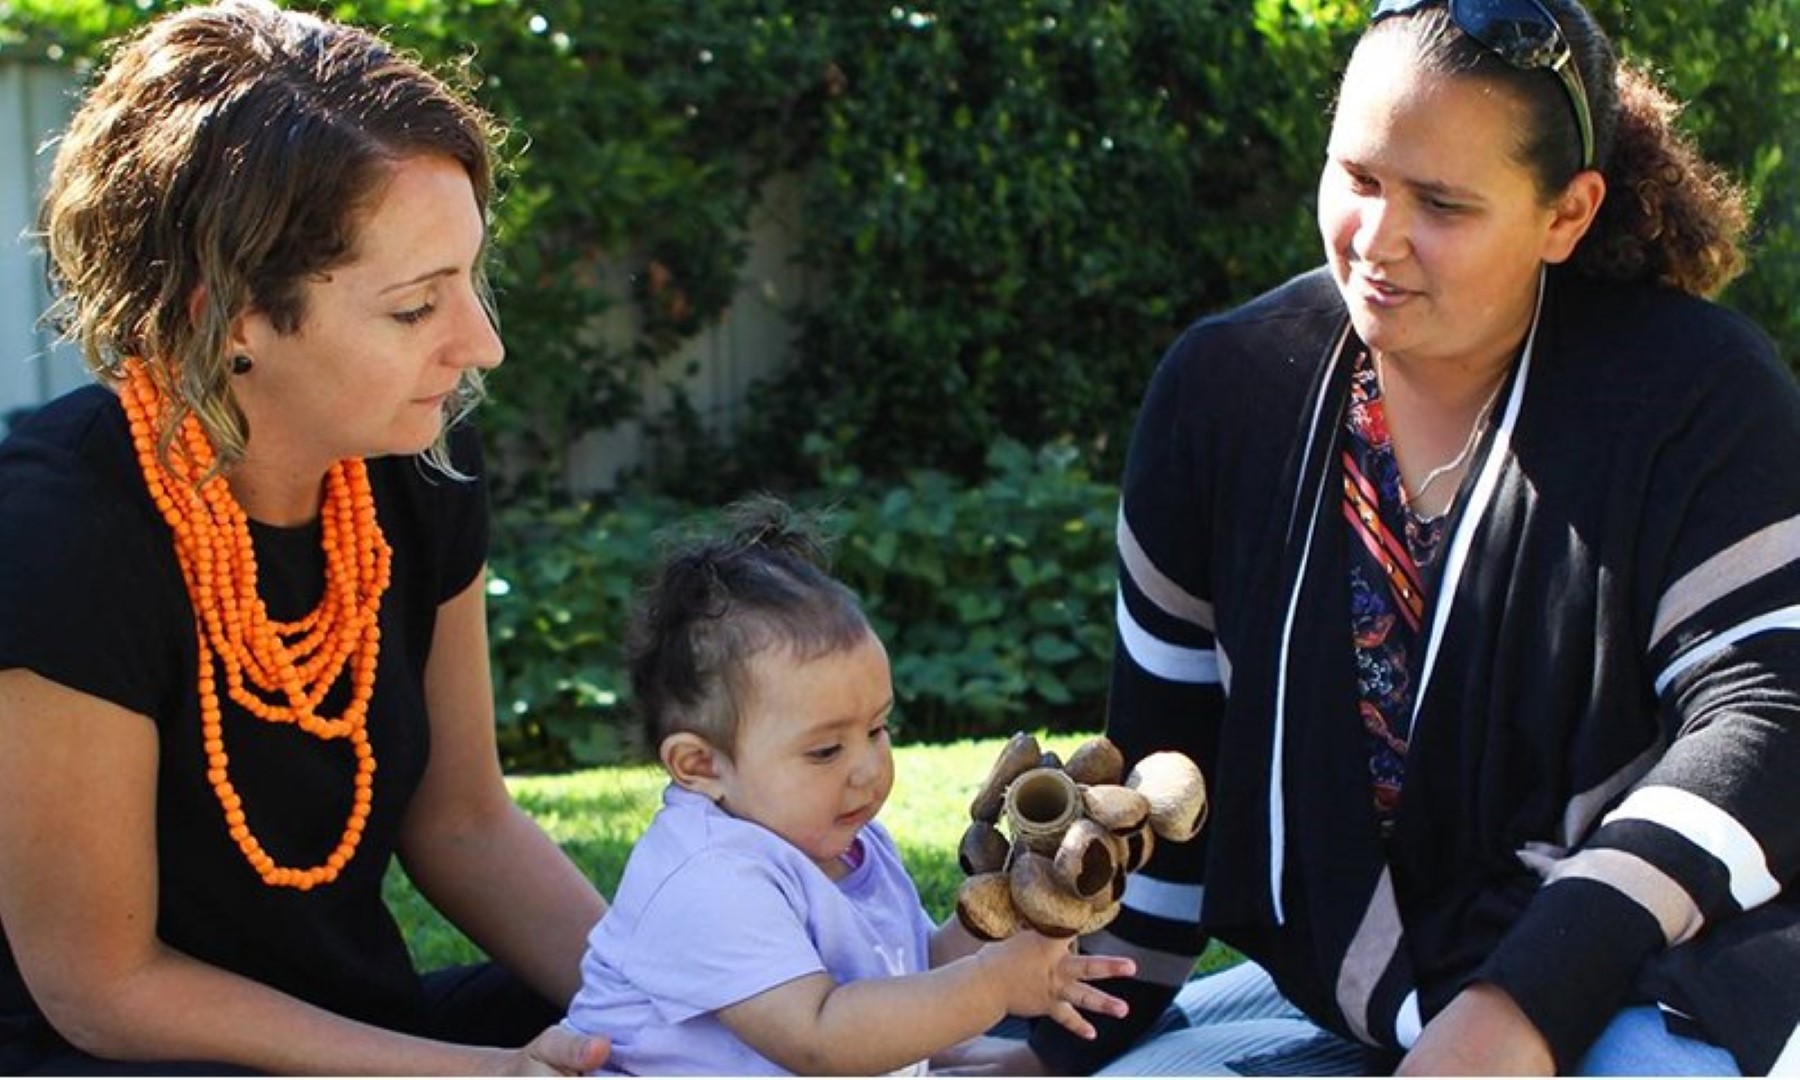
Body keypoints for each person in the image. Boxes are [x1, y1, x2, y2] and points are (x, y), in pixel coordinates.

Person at [1013, 0, 1800, 1075]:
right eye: (1360, 178)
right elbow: (1170, 767)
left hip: (1656, 973)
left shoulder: (1696, 393)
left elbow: (1769, 716)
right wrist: (1060, 1047)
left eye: (1442, 203)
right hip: (1365, 989)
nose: (1377, 241)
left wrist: (1521, 1010)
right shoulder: (1225, 390)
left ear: (1567, 215)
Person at [0, 1, 612, 1073]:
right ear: (227, 313)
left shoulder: (417, 470)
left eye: (471, 279)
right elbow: (99, 987)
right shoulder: (56, 536)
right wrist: (476, 1074)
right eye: (417, 306)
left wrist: (707, 1015)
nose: (483, 345)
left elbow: (463, 822)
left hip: (350, 1026)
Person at [561, 497, 1137, 1075]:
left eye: (877, 728)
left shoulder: (848, 842)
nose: (867, 768)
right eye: (826, 750)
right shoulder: (708, 875)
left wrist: (992, 920)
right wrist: (990, 986)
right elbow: (820, 1038)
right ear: (701, 765)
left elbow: (907, 986)